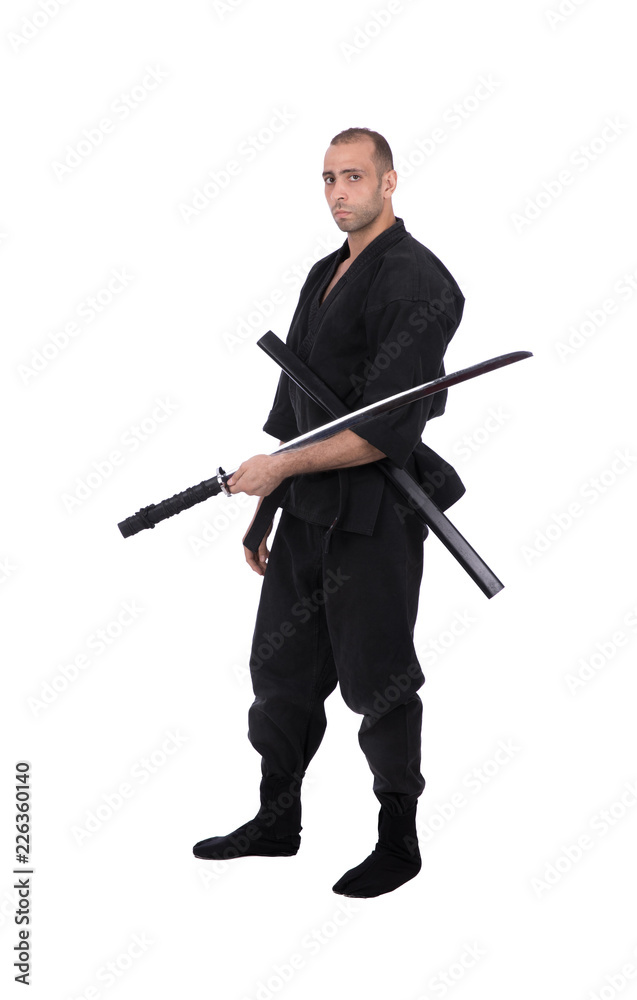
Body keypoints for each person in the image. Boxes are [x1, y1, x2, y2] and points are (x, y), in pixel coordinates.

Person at [193, 127, 466, 898]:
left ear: (388, 182)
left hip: (375, 517)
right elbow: (298, 414)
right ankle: (275, 822)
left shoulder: (415, 282)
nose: (338, 192)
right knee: (279, 672)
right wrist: (266, 511)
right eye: (327, 178)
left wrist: (278, 471)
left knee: (378, 680)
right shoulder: (325, 272)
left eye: (353, 177)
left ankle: (398, 840)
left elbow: (383, 431)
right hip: (308, 511)